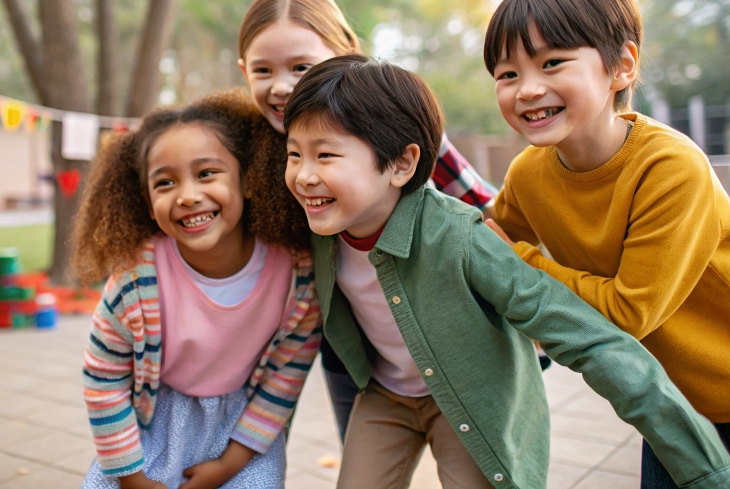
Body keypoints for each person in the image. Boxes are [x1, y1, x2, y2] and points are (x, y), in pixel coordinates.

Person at [283, 53, 730, 489]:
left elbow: (588, 338)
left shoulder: (460, 238)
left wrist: (705, 469)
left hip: (470, 400)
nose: (303, 175)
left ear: (401, 163)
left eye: (325, 156)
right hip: (385, 396)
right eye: (294, 154)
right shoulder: (317, 229)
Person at [482, 0, 730, 487]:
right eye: (507, 74)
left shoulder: (669, 167)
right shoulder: (529, 172)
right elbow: (485, 240)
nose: (527, 89)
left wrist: (519, 263)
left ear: (622, 66)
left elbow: (627, 312)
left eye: (552, 63)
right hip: (666, 400)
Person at [237, 0, 498, 443]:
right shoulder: (247, 147)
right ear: (242, 70)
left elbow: (485, 209)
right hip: (349, 345)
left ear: (345, 51)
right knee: (364, 450)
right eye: (262, 71)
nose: (281, 87)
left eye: (301, 67)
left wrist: (514, 297)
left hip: (437, 331)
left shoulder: (389, 128)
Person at [74, 90, 321, 489]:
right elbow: (103, 378)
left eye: (207, 173)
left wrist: (229, 465)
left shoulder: (297, 275)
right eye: (165, 182)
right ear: (147, 201)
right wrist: (132, 478)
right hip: (150, 429)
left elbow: (285, 376)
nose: (188, 195)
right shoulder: (135, 278)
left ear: (248, 180)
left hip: (242, 434)